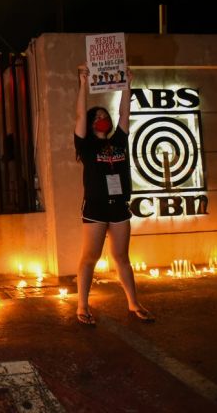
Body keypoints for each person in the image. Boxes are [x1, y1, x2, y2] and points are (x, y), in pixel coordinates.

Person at [73, 63, 155, 326]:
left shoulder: (119, 140)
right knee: (90, 258)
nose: (101, 118)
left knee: (122, 258)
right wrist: (83, 82)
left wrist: (127, 83)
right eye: (95, 116)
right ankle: (82, 306)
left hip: (119, 206)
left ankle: (134, 303)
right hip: (95, 207)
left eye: (102, 114)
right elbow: (78, 118)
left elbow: (124, 113)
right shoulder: (85, 145)